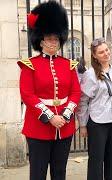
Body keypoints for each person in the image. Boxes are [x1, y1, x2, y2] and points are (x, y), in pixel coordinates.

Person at [17, 1, 81, 180]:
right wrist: (50, 116)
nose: (53, 42)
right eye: (49, 38)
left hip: (64, 126)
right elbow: (27, 95)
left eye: (56, 39)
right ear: (40, 40)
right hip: (39, 127)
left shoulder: (68, 65)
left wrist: (66, 115)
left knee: (59, 172)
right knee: (38, 173)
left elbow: (76, 92)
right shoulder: (30, 65)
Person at [76, 38, 112, 180]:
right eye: (101, 52)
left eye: (107, 50)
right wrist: (83, 125)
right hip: (97, 122)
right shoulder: (90, 74)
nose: (105, 54)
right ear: (95, 55)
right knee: (96, 161)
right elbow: (82, 101)